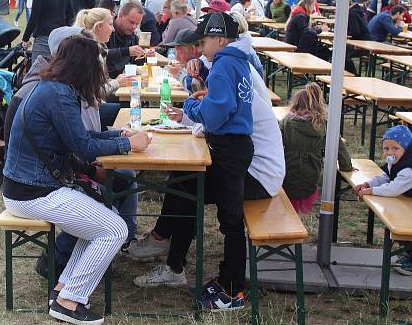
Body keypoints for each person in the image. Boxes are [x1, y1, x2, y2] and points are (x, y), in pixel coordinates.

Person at [2, 34, 150, 325]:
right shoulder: (60, 94)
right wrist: (128, 145)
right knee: (115, 229)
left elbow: (80, 138)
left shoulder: (53, 88)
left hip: (30, 188)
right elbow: (83, 147)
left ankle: (63, 290)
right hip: (33, 193)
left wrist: (119, 136)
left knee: (103, 221)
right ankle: (69, 302)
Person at [129, 26, 284, 275]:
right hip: (252, 164)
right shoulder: (231, 69)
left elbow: (210, 123)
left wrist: (190, 106)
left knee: (188, 185)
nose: (199, 52)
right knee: (183, 180)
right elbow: (210, 118)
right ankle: (164, 245)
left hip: (261, 175)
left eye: (202, 45)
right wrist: (189, 111)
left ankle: (172, 263)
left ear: (220, 42)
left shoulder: (225, 73)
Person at [158, 12, 255, 311]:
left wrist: (190, 104)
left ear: (220, 39)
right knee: (189, 188)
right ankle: (192, 267)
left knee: (231, 221)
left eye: (203, 40)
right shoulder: (238, 61)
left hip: (229, 147)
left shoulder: (226, 63)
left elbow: (215, 113)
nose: (200, 47)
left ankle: (233, 289)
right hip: (234, 147)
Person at [279, 83, 353, 214]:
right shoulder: (324, 125)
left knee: (286, 206)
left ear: (295, 104)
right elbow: (339, 147)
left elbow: (275, 144)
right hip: (311, 173)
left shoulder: (286, 123)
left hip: (287, 173)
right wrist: (346, 166)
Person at [354, 125, 412, 274]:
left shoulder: (408, 169)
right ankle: (408, 251)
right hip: (407, 199)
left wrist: (372, 191)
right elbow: (385, 176)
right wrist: (368, 183)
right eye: (386, 149)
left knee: (404, 225)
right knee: (396, 218)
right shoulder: (395, 162)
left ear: (406, 148)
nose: (390, 153)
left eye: (395, 148)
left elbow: (393, 189)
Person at [105, 0, 146, 79]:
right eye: (131, 22)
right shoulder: (106, 29)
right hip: (106, 82)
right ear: (121, 15)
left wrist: (143, 55)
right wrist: (127, 51)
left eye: (137, 24)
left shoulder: (132, 35)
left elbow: (136, 62)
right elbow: (99, 54)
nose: (134, 27)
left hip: (121, 80)